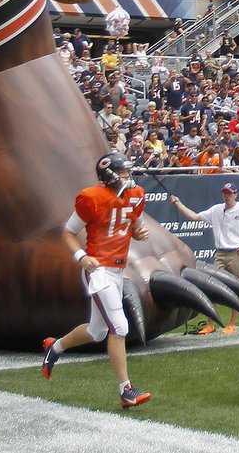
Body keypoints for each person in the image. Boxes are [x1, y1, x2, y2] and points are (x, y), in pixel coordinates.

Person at [42, 152, 152, 409]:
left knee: (97, 331)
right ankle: (126, 391)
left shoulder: (136, 195)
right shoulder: (91, 197)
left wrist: (139, 233)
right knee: (119, 327)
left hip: (117, 269)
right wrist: (81, 257)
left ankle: (55, 347)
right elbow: (68, 233)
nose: (128, 175)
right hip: (98, 268)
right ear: (110, 175)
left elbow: (131, 227)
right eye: (123, 171)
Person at [170, 182, 239, 335]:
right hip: (220, 253)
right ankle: (211, 324)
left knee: (237, 289)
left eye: (230, 193)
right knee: (213, 288)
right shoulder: (216, 210)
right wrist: (178, 203)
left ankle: (231, 324)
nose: (227, 196)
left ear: (236, 194)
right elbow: (195, 217)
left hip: (237, 253)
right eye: (225, 193)